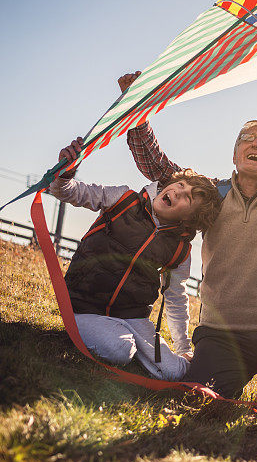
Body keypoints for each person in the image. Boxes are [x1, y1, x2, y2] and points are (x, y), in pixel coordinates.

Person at [122, 56, 257, 399]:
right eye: (247, 138)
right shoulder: (211, 195)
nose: (256, 143)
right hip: (221, 333)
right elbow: (160, 170)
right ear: (236, 154)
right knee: (200, 397)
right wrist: (138, 111)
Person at [51, 137, 221, 380]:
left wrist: (184, 349)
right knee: (121, 349)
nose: (178, 191)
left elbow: (175, 298)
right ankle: (94, 334)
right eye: (180, 184)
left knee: (175, 371)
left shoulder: (179, 250)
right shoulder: (122, 199)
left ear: (189, 220)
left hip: (133, 316)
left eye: (188, 198)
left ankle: (134, 343)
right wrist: (65, 173)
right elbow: (67, 192)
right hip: (84, 306)